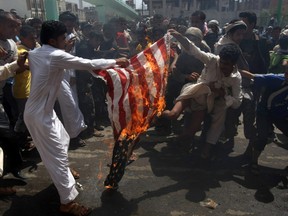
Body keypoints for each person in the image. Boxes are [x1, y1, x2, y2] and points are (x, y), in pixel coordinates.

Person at [24, 20, 128, 215]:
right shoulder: (54, 55)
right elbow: (86, 64)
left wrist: (20, 62)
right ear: (53, 40)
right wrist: (116, 61)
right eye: (64, 38)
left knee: (63, 140)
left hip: (44, 111)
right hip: (39, 114)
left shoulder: (37, 51)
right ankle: (67, 202)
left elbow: (28, 56)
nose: (67, 41)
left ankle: (63, 170)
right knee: (56, 155)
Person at [167, 29, 242, 159]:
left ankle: (206, 147)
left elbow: (237, 101)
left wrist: (223, 95)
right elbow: (194, 50)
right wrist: (179, 36)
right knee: (174, 114)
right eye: (222, 62)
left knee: (219, 116)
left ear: (234, 65)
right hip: (195, 91)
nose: (222, 66)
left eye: (226, 64)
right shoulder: (213, 60)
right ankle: (157, 116)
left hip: (214, 101)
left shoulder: (236, 78)